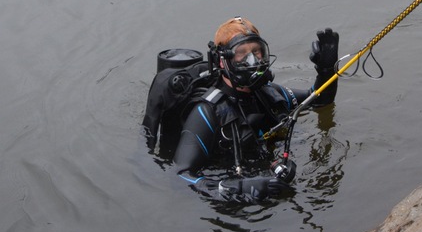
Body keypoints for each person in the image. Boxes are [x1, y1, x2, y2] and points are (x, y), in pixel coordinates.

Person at [142, 17, 340, 201]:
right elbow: (180, 176)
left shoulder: (270, 94)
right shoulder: (206, 112)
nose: (252, 61)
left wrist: (327, 69)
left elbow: (320, 100)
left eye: (256, 51)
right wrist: (236, 188)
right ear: (222, 60)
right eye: (241, 53)